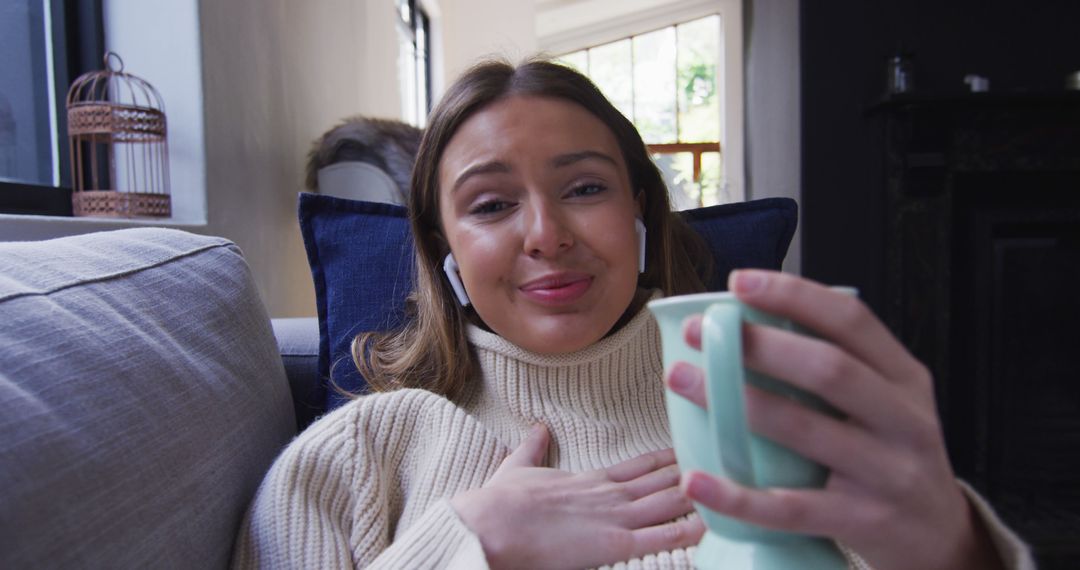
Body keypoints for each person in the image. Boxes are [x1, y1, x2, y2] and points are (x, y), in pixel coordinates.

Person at [232, 58, 1032, 569]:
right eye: (491, 204)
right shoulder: (359, 454)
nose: (546, 235)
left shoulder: (780, 429)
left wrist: (959, 551)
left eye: (584, 188)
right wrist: (472, 541)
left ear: (642, 215)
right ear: (445, 248)